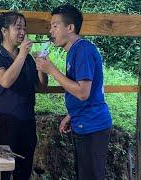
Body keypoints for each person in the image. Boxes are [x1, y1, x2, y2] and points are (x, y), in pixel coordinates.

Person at [35, 4, 112, 180]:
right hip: (83, 122)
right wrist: (71, 115)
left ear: (70, 28)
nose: (51, 31)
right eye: (50, 26)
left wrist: (52, 70)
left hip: (93, 126)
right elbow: (85, 91)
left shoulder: (83, 50)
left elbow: (83, 92)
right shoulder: (74, 51)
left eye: (55, 25)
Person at [0, 11, 48, 180]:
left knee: (24, 170)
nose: (23, 32)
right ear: (4, 31)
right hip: (2, 123)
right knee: (2, 171)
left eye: (24, 28)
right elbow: (6, 81)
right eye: (18, 28)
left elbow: (42, 87)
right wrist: (21, 54)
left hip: (27, 121)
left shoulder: (28, 59)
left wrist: (42, 66)